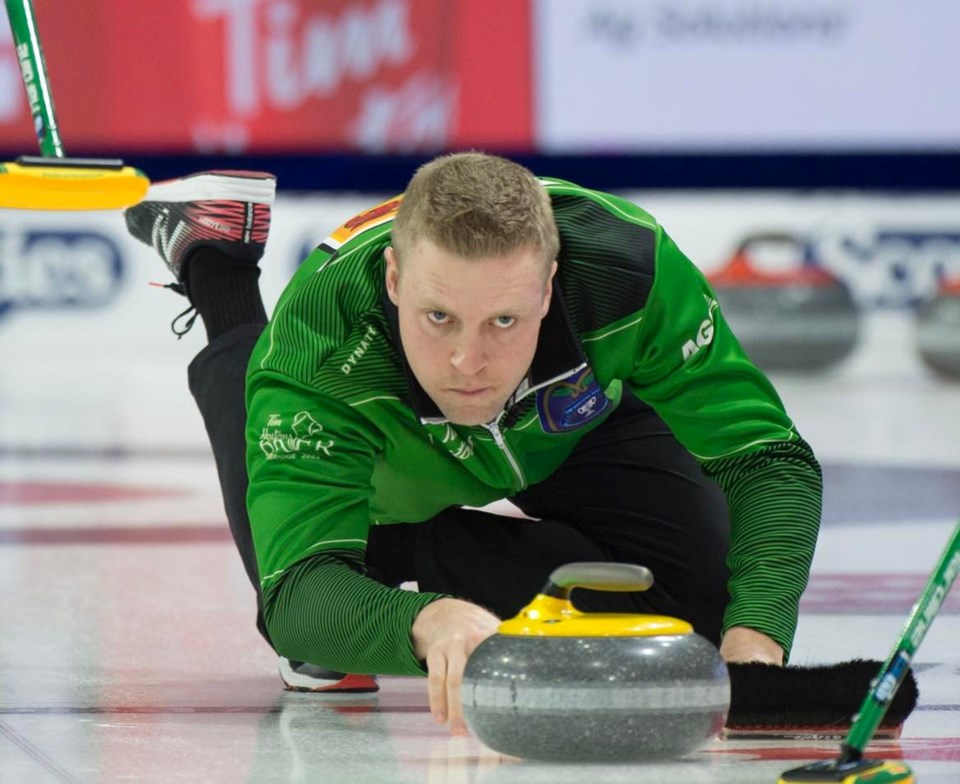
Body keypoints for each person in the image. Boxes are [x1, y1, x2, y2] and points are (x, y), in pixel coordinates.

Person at [125, 153, 822, 736]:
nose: (469, 361)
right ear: (395, 282)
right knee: (315, 639)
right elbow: (297, 602)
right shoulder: (321, 346)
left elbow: (767, 459)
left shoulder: (627, 267)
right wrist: (427, 619)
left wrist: (756, 639)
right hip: (387, 476)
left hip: (575, 425)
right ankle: (217, 268)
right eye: (439, 317)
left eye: (504, 319)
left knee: (695, 632)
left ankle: (413, 562)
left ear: (550, 287)